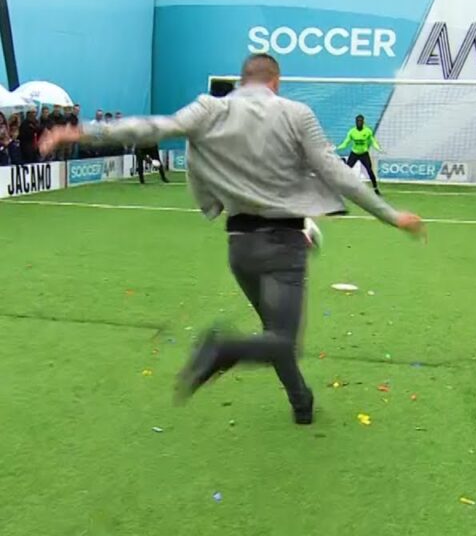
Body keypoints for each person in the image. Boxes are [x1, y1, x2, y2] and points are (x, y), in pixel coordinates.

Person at [40, 53, 426, 425]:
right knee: (283, 340)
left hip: (240, 245)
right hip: (285, 246)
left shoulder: (211, 109)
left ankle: (301, 401)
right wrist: (392, 216)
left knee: (275, 334)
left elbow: (154, 128)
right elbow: (337, 173)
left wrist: (81, 131)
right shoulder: (296, 113)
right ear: (275, 81)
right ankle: (223, 349)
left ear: (243, 80)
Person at [337, 114, 382, 195]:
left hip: (364, 154)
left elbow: (373, 141)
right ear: (356, 122)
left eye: (361, 121)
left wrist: (378, 148)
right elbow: (345, 142)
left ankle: (375, 188)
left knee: (369, 170)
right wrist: (338, 148)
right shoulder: (352, 132)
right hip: (354, 153)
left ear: (363, 122)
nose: (359, 123)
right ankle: (342, 188)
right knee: (346, 170)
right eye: (358, 121)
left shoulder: (367, 131)